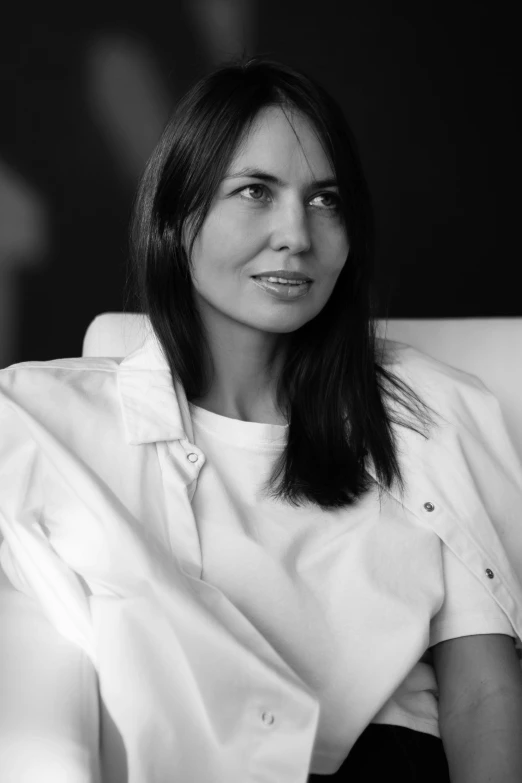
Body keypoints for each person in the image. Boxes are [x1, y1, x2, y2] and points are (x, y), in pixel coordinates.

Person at [1, 55, 522, 783]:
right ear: (177, 215)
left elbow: (485, 693)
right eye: (255, 191)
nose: (296, 235)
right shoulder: (48, 416)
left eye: (325, 200)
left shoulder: (427, 407)